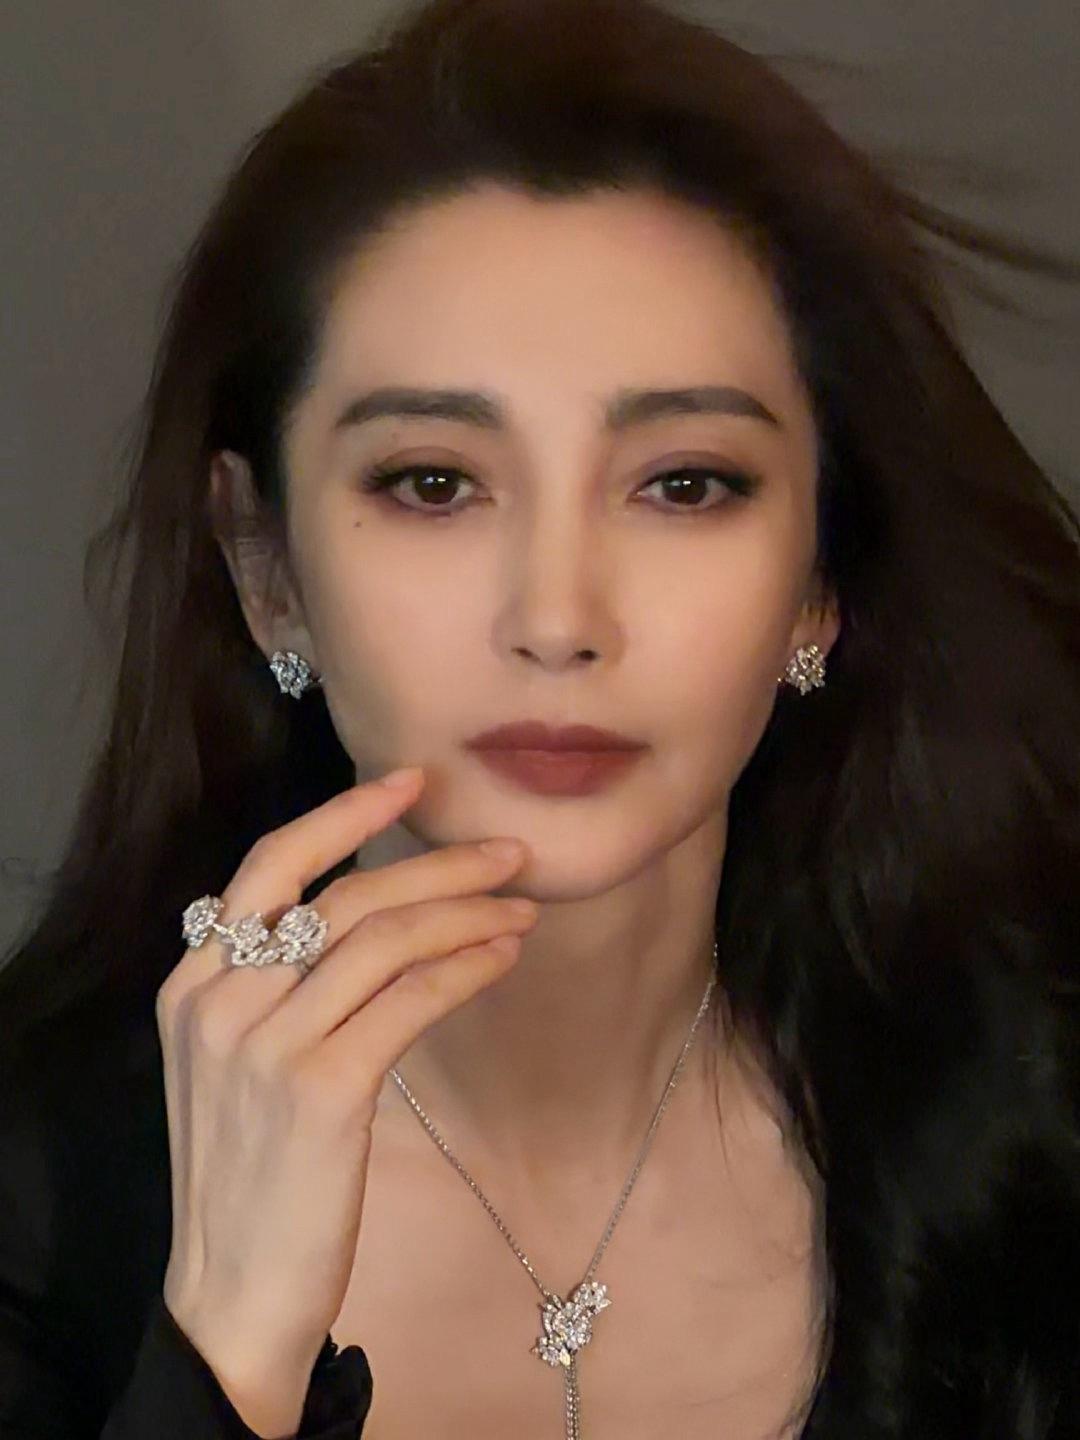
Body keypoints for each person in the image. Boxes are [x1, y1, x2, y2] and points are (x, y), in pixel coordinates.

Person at [1, 0, 1077, 1435]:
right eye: (433, 484)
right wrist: (224, 1356)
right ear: (268, 571)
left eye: (684, 483)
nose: (560, 617)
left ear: (821, 584)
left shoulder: (1042, 1109)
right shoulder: (37, 1183)